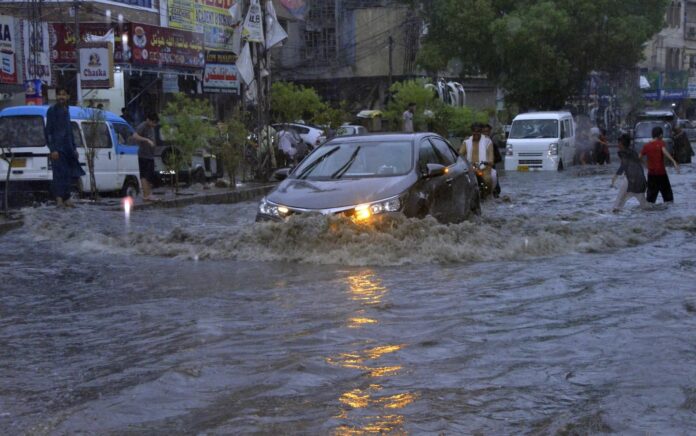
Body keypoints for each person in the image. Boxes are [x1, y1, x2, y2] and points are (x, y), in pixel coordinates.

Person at [45, 87, 85, 208]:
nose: (61, 97)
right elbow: (49, 132)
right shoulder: (52, 110)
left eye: (64, 94)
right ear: (56, 97)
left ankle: (67, 198)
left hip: (68, 148)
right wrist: (53, 149)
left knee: (68, 174)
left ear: (68, 97)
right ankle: (59, 199)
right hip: (58, 148)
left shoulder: (66, 109)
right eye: (59, 95)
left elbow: (69, 131)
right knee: (59, 174)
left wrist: (74, 148)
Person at [639, 126, 680, 204]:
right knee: (668, 198)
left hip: (651, 175)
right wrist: (673, 161)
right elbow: (664, 151)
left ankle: (650, 214)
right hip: (661, 174)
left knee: (650, 199)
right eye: (662, 134)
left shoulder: (646, 146)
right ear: (660, 135)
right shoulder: (660, 143)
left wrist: (645, 164)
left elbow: (639, 157)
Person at [611, 134, 648, 212]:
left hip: (630, 179)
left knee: (618, 203)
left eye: (619, 143)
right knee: (644, 206)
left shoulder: (621, 152)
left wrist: (615, 176)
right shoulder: (633, 152)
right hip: (640, 179)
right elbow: (639, 161)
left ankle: (615, 214)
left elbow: (624, 164)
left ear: (621, 144)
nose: (618, 145)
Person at [460, 123, 497, 192]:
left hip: (484, 168)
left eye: (478, 131)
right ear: (471, 131)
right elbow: (460, 155)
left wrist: (489, 161)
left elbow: (491, 156)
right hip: (470, 169)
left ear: (481, 131)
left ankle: (487, 196)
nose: (476, 133)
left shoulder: (487, 141)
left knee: (487, 180)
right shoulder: (467, 142)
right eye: (474, 131)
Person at [133, 113, 159, 201]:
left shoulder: (151, 128)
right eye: (153, 122)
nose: (154, 125)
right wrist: (147, 140)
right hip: (144, 155)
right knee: (144, 176)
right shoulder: (143, 126)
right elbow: (135, 136)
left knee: (149, 176)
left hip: (150, 155)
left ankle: (148, 194)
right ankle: (146, 195)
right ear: (148, 120)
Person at [482, 123, 502, 197]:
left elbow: (499, 158)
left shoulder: (493, 145)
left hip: (490, 169)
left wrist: (491, 161)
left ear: (490, 132)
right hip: (478, 168)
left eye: (487, 131)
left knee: (496, 189)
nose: (485, 133)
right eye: (483, 132)